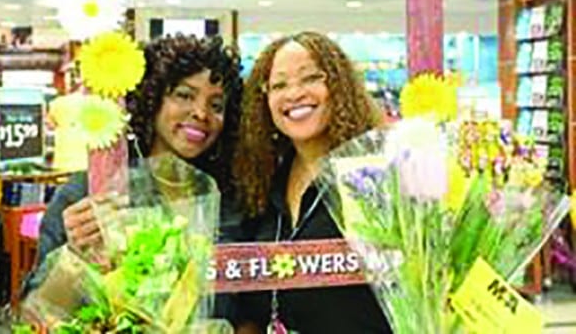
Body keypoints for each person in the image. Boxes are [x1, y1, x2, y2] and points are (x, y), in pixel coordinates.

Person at [23, 34, 243, 319]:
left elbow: (246, 309)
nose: (201, 113)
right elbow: (36, 313)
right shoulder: (93, 191)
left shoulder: (230, 201)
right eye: (184, 95)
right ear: (151, 97)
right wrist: (76, 255)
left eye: (216, 105)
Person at [233, 31, 391, 333]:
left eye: (310, 78)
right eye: (279, 85)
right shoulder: (263, 185)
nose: (294, 94)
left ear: (339, 86)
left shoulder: (374, 177)